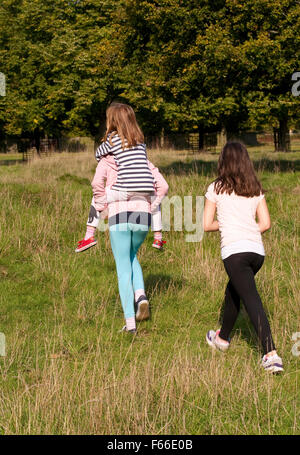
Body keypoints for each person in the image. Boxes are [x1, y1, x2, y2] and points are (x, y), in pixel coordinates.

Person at [204, 141, 283, 373]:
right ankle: (222, 339)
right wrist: (246, 227)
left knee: (251, 300)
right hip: (257, 252)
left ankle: (271, 354)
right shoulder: (254, 187)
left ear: (223, 162)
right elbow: (265, 224)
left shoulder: (216, 188)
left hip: (235, 252)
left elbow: (207, 225)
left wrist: (230, 225)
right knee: (234, 292)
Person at [76, 102, 166, 252]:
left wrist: (101, 202)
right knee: (155, 202)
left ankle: (88, 236)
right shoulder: (140, 142)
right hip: (147, 188)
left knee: (97, 197)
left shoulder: (112, 139)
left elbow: (98, 154)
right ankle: (158, 237)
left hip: (124, 189)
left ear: (111, 121)